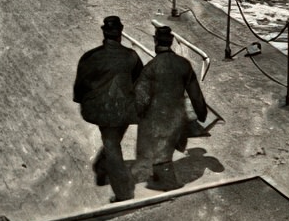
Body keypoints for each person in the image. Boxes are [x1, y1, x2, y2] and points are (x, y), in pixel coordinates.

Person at [73, 16, 144, 203]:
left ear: (104, 33)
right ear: (120, 34)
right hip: (125, 110)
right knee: (113, 144)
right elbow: (141, 82)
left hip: (100, 110)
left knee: (112, 142)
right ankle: (123, 194)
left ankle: (102, 168)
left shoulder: (90, 57)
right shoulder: (132, 56)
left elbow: (80, 88)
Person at [135, 26, 208, 191]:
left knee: (158, 151)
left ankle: (168, 184)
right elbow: (196, 95)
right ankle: (163, 177)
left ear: (155, 41)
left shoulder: (150, 67)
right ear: (172, 42)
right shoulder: (183, 64)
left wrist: (139, 114)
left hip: (156, 119)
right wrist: (202, 114)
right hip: (177, 118)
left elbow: (140, 97)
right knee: (166, 148)